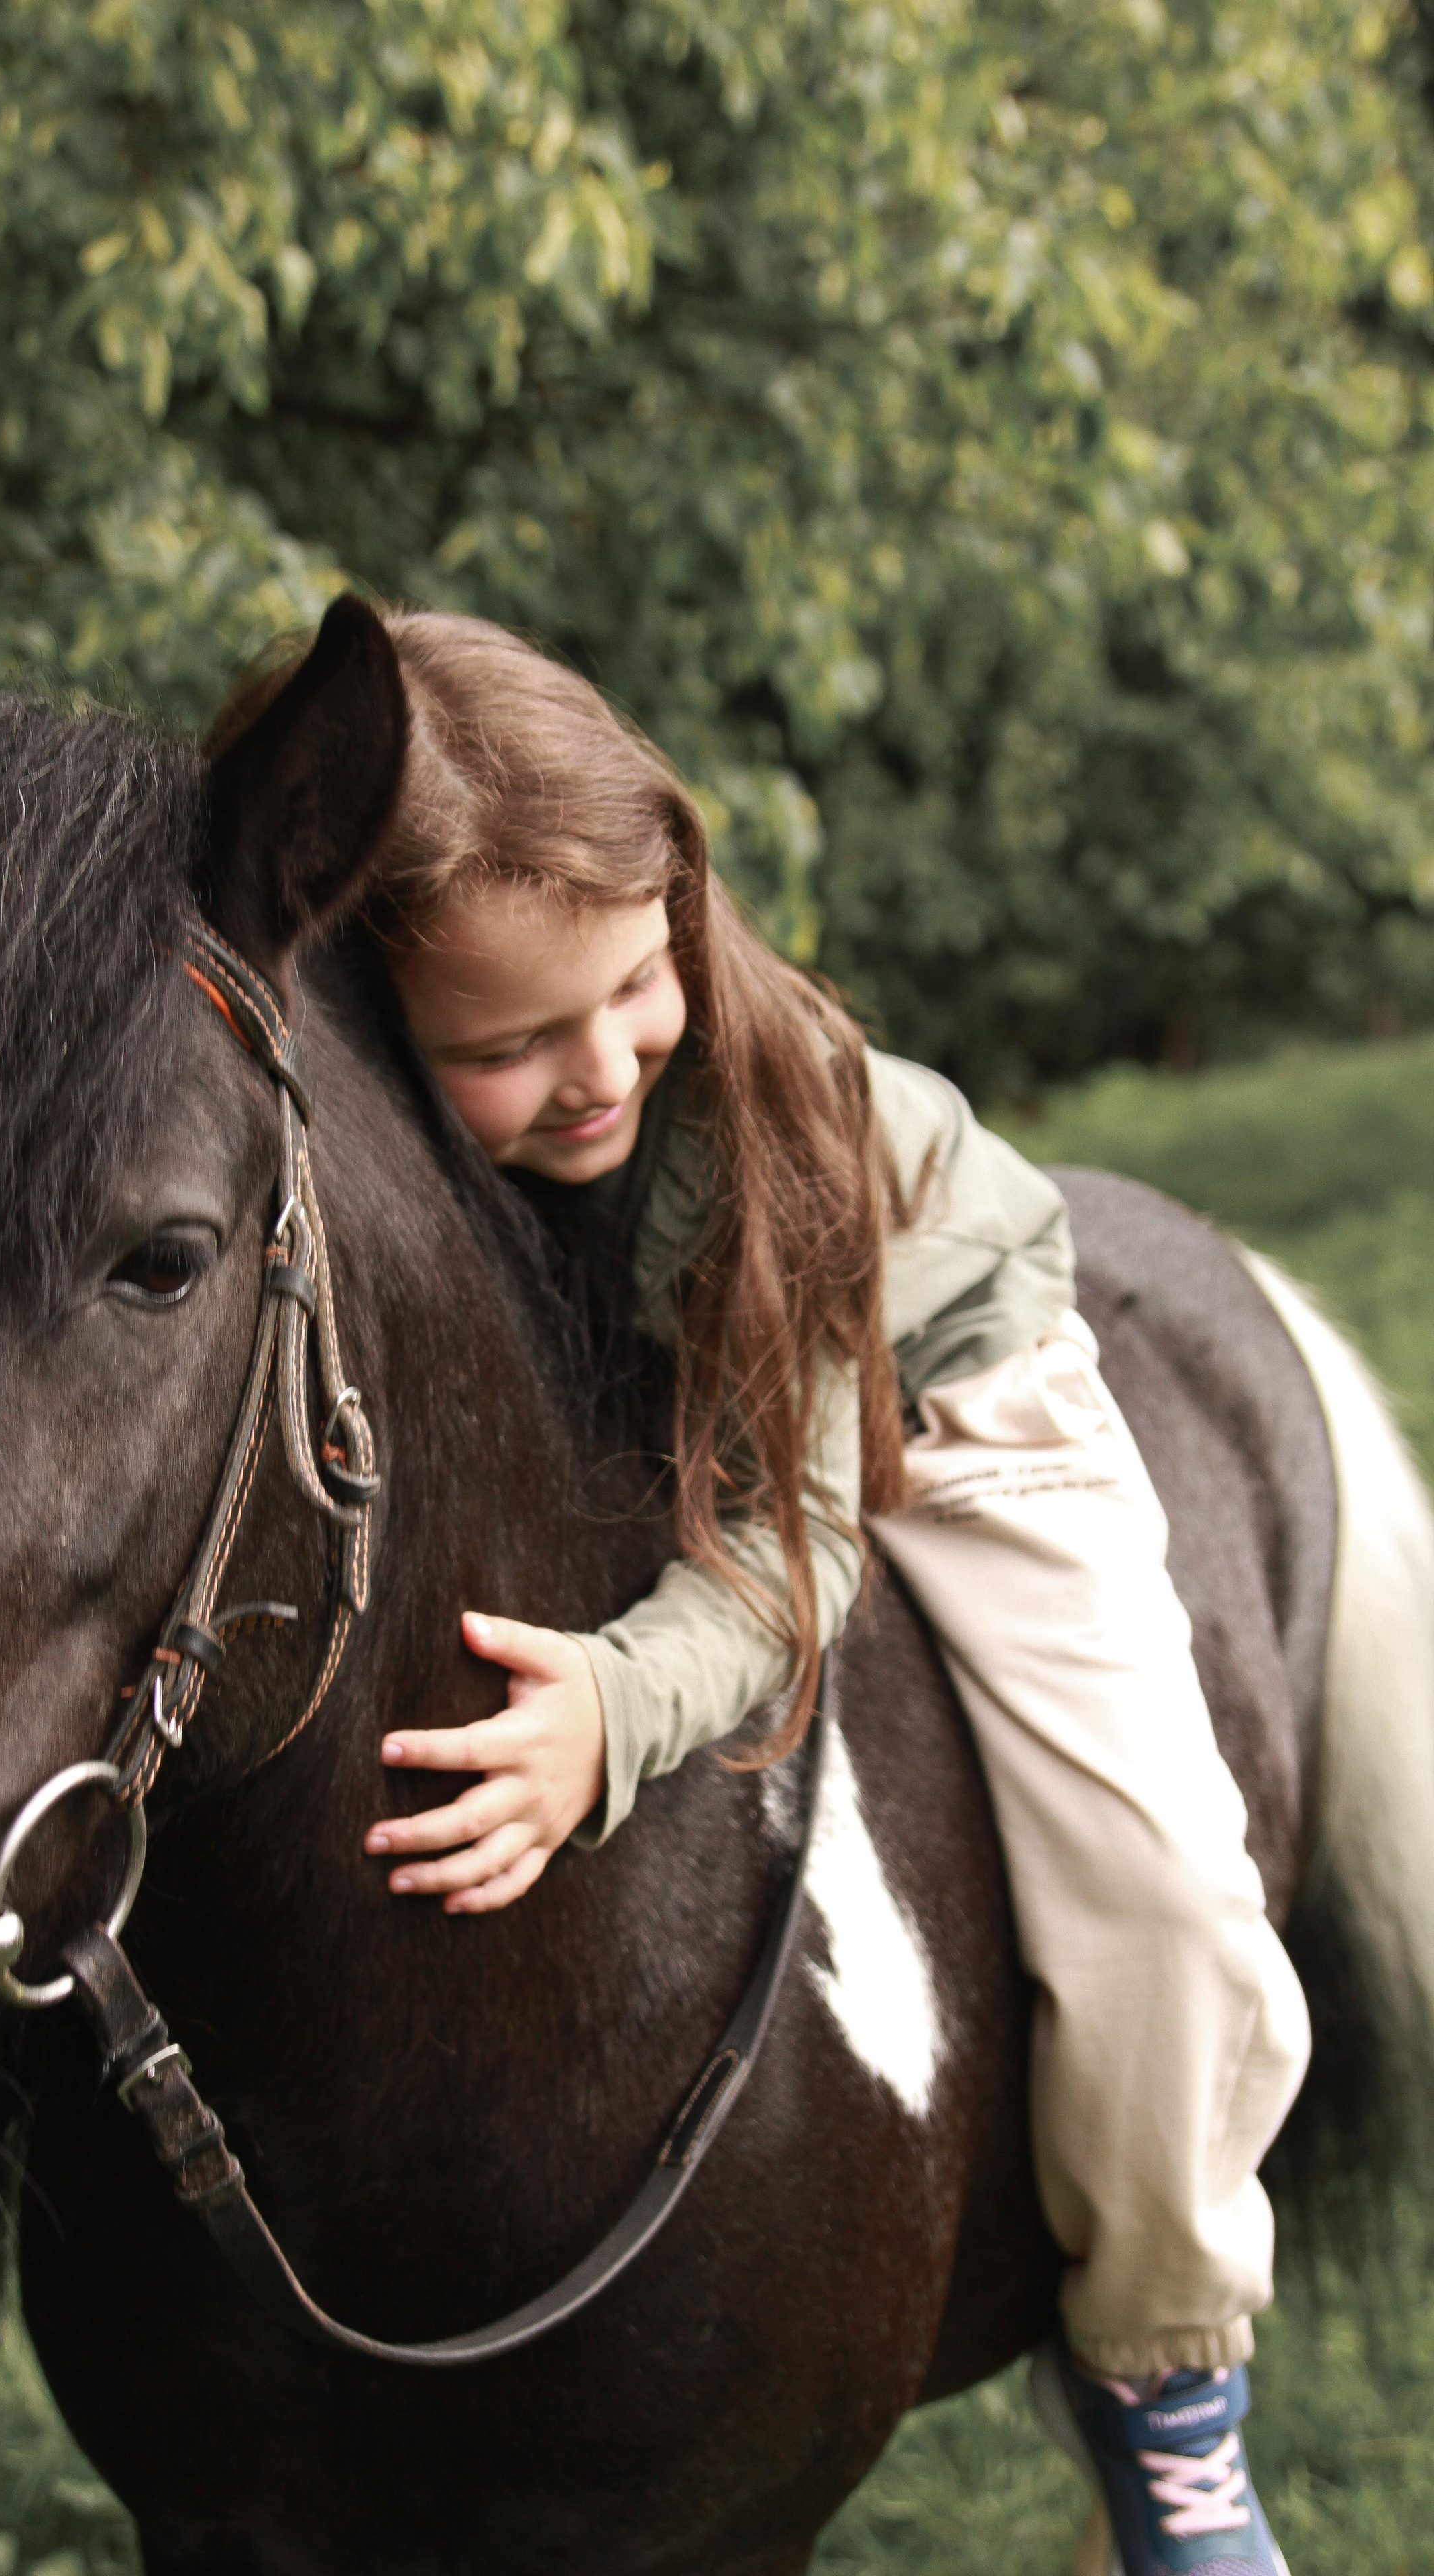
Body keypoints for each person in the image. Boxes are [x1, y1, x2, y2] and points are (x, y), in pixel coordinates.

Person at [245, 608, 1308, 2575]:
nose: (596, 1071)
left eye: (638, 980)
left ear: (682, 905)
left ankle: (1171, 2386)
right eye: (506, 1045)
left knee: (1162, 1885)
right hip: (652, 1383)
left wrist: (609, 1717)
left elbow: (785, 1551)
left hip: (928, 1379)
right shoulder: (370, 1133)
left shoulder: (765, 1115)